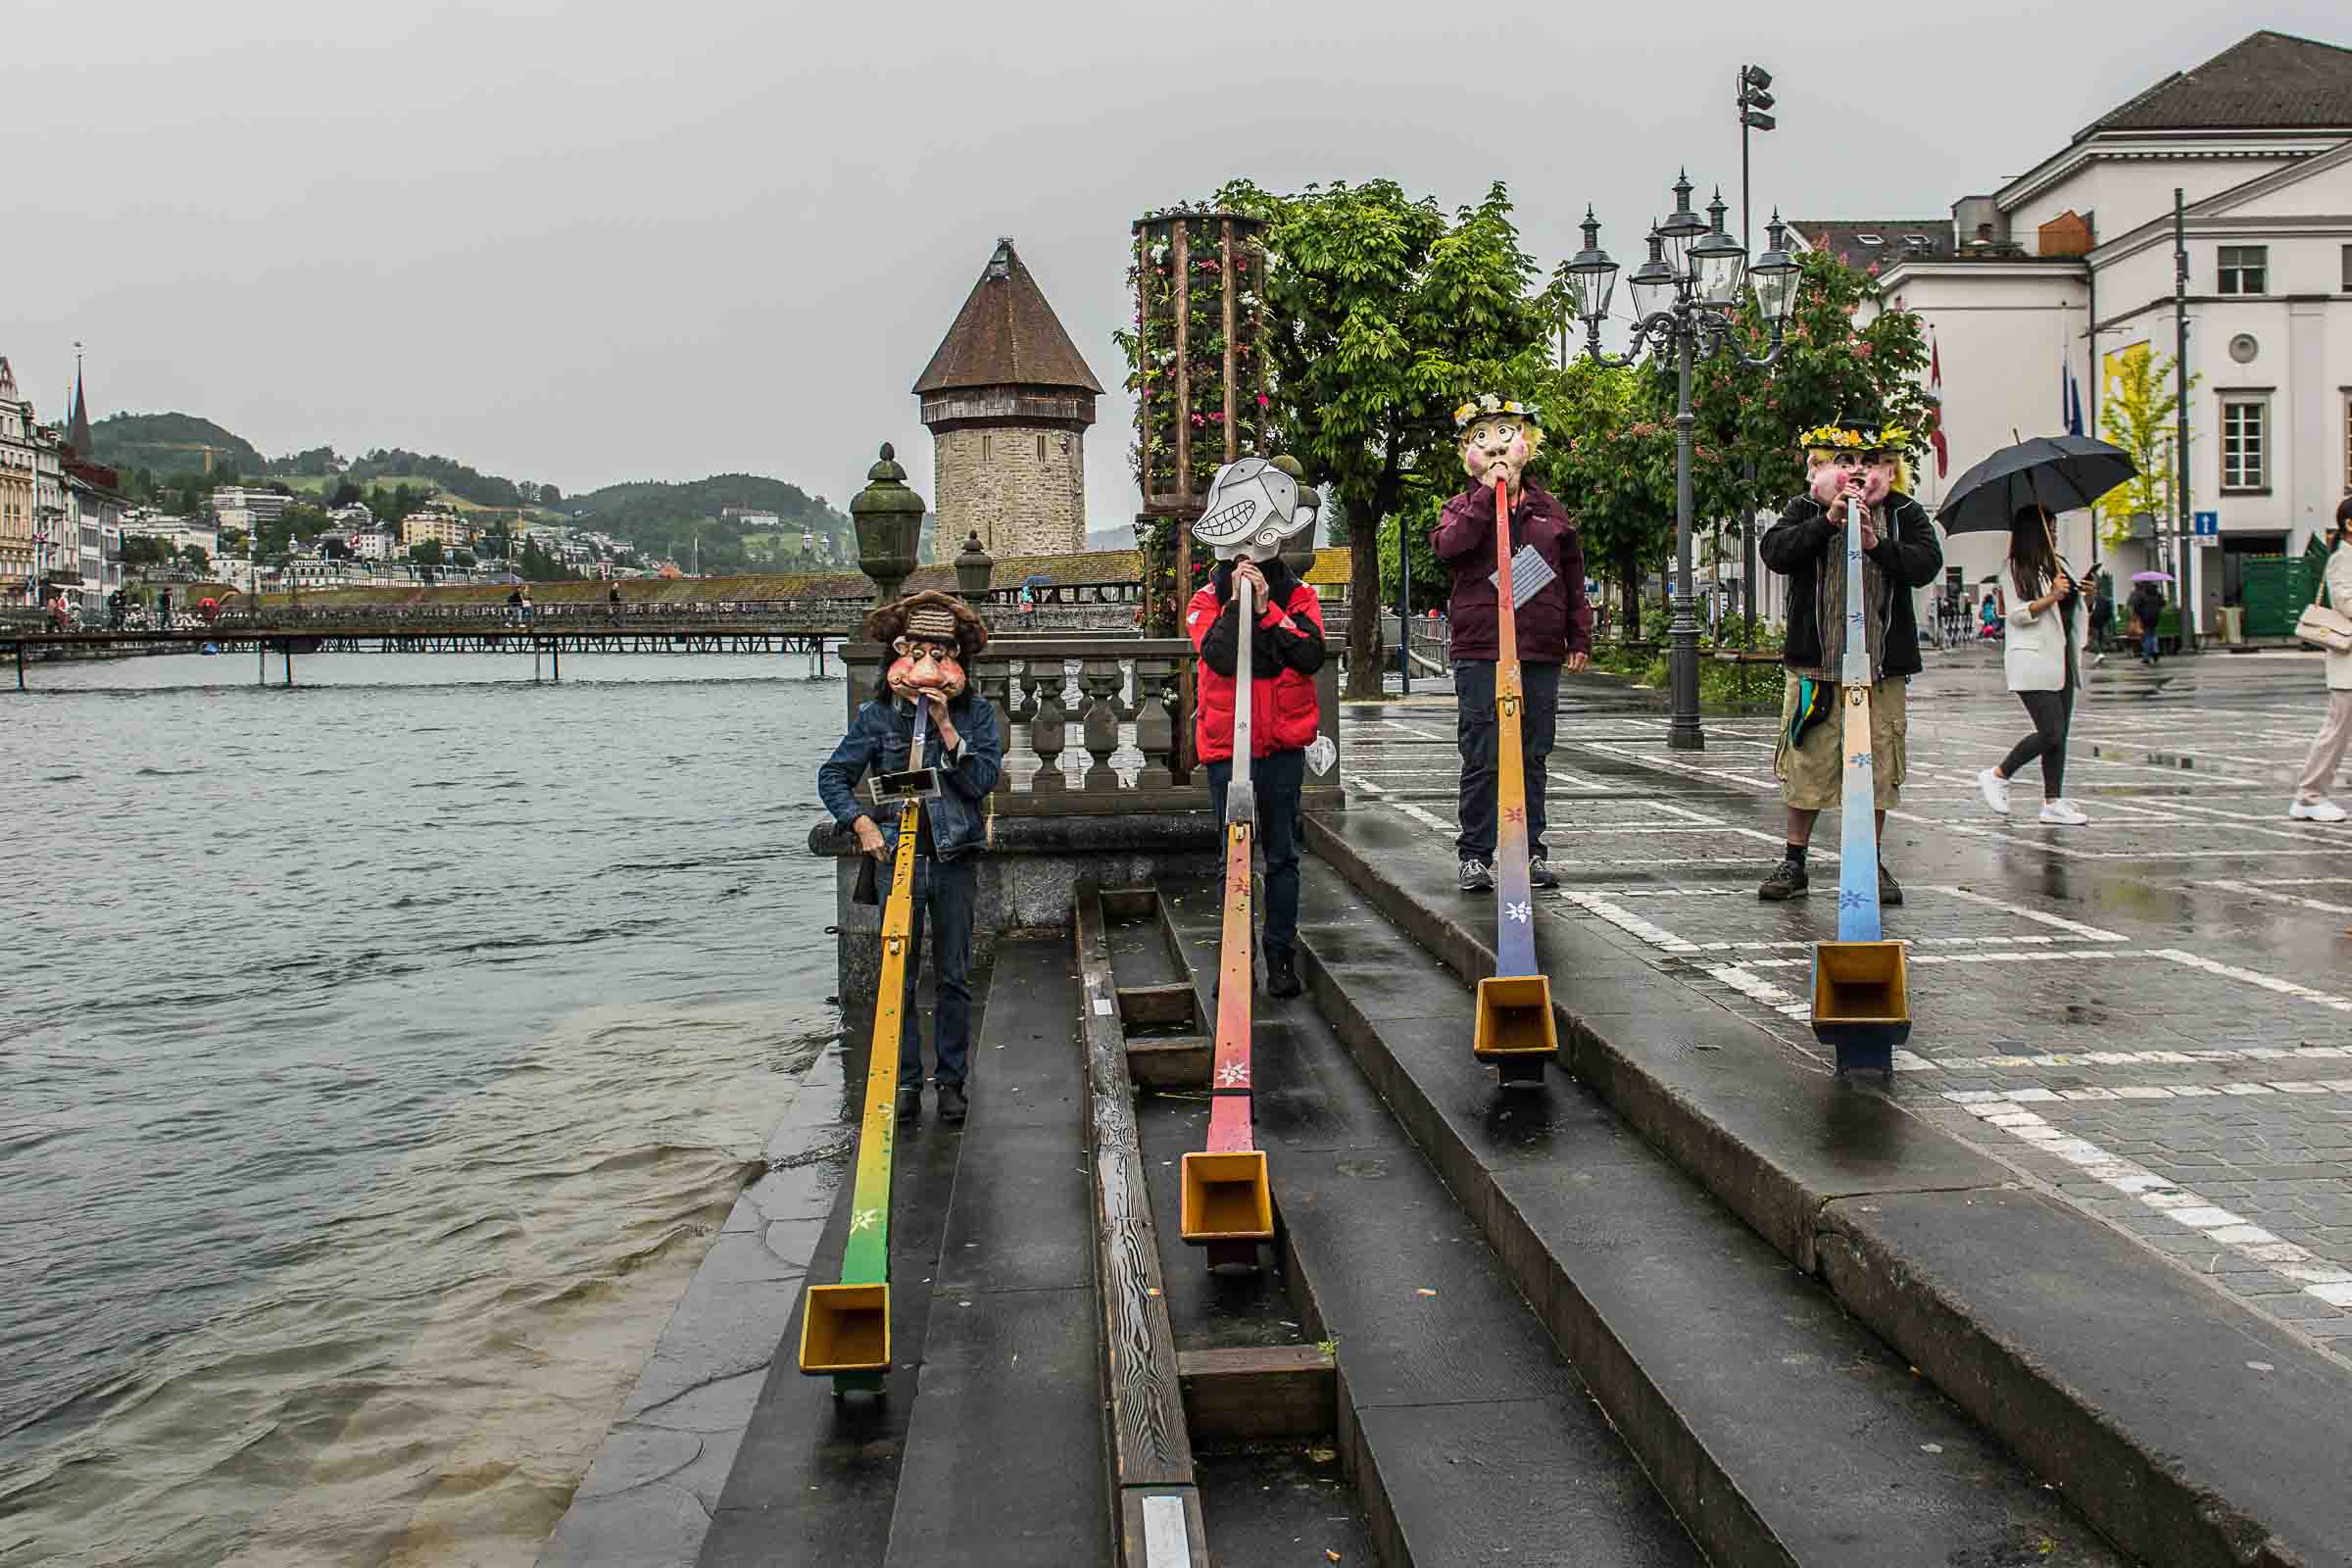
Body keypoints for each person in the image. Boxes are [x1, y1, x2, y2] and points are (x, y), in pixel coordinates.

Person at [818, 591, 1003, 1124]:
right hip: (898, 857)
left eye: (942, 655)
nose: (928, 667)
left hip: (954, 859)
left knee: (953, 976)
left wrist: (948, 729)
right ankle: (903, 1083)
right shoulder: (875, 717)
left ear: (958, 663)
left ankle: (951, 1082)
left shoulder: (978, 715)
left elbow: (982, 781)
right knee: (897, 975)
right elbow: (833, 775)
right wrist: (860, 821)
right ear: (896, 656)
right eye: (917, 652)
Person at [1756, 416, 1944, 903]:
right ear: (1821, 468)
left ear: (1890, 468)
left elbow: (1926, 564)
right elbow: (1774, 552)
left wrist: (1879, 544)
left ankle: (1870, 860)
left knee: (1879, 764)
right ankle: (1794, 860)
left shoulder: (1903, 513)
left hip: (1881, 668)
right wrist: (1828, 522)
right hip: (1817, 667)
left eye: (1871, 462)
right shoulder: (1804, 508)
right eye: (1846, 462)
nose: (1859, 471)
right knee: (1807, 763)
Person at [1433, 394, 1592, 894]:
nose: (1498, 447)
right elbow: (1450, 548)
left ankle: (1529, 850)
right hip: (1481, 647)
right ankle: (1475, 853)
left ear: (1529, 444)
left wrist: (1577, 632)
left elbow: (1572, 574)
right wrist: (1487, 496)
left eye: (1508, 434)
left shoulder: (1550, 511)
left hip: (1538, 645)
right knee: (1481, 750)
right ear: (1467, 452)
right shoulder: (1459, 506)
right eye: (1483, 438)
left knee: (1532, 752)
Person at [1188, 547, 1326, 999]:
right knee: (1234, 857)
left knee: (1283, 854)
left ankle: (1280, 956)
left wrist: (1268, 610)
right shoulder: (1205, 600)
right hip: (1228, 747)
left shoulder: (1301, 596)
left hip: (1281, 745)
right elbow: (1219, 656)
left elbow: (1309, 654)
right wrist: (1235, 604)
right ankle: (1236, 958)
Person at [1977, 507, 2091, 826]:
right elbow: (2016, 614)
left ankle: (2053, 802)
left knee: (2060, 734)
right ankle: (1998, 774)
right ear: (2035, 532)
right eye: (2050, 528)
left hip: (2063, 658)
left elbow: (2071, 614)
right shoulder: (2014, 568)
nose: (2054, 533)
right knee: (2051, 731)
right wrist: (2053, 596)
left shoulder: (2059, 564)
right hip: (2032, 660)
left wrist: (2087, 598)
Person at [2289, 496, 2352, 822]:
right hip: (2349, 665)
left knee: (2337, 731)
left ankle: (2310, 796)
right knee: (2336, 733)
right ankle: (2309, 797)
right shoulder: (2342, 559)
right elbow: (2346, 603)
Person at [2128, 577, 2165, 664]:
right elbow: (2163, 603)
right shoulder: (2157, 593)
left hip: (2145, 617)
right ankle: (2156, 652)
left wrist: (2137, 614)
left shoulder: (2142, 594)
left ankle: (2146, 657)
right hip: (2155, 617)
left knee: (2146, 636)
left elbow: (2136, 606)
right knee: (2153, 634)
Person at [2088, 573, 2115, 664]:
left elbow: (2090, 610)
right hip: (2102, 621)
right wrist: (2106, 620)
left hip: (2094, 620)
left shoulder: (2093, 599)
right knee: (2100, 638)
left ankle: (2099, 653)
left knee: (2094, 638)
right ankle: (2100, 652)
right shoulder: (2106, 600)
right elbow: (2109, 612)